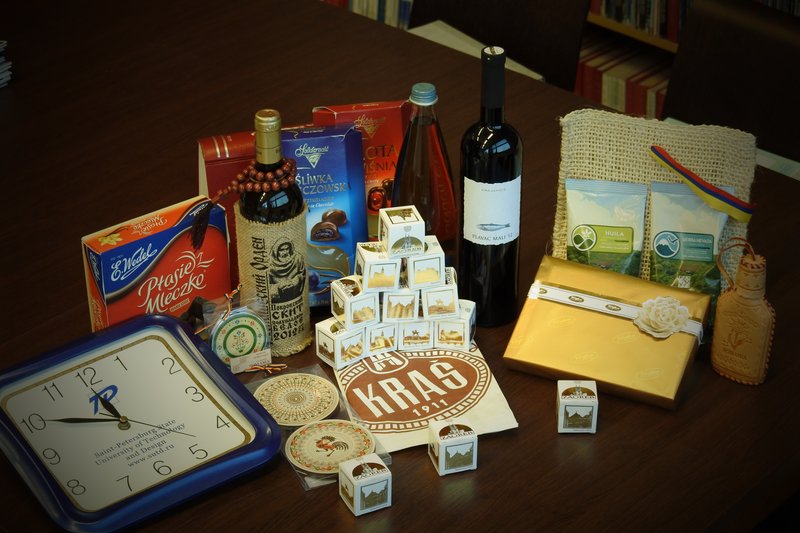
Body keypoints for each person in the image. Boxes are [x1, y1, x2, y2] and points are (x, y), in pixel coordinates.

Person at [268, 237, 306, 303]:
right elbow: (267, 285)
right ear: (276, 251)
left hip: (295, 292)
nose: (285, 252)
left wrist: (295, 281)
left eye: (287, 249)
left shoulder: (297, 258)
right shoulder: (269, 264)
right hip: (278, 298)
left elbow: (303, 274)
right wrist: (278, 287)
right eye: (282, 250)